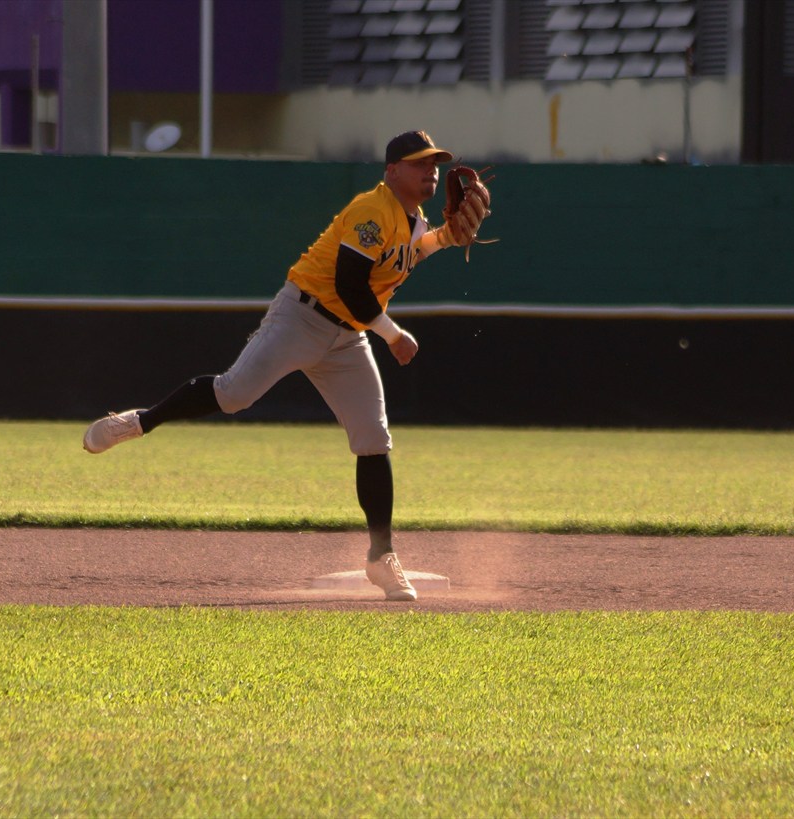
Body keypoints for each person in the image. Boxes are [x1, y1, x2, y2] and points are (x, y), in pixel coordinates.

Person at [82, 130, 491, 601]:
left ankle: (381, 557)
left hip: (347, 338)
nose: (431, 171)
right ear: (392, 171)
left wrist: (445, 238)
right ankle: (138, 422)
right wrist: (394, 336)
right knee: (233, 394)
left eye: (434, 163)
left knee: (373, 439)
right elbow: (351, 285)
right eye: (420, 163)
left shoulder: (412, 219)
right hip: (302, 317)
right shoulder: (371, 210)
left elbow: (411, 249)